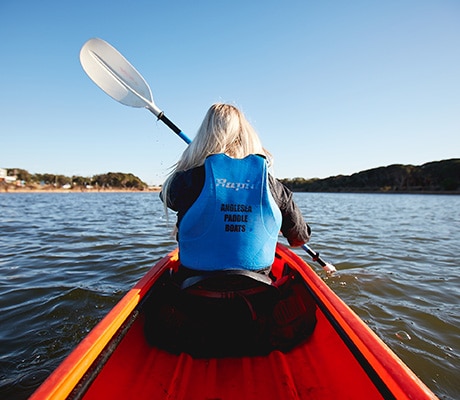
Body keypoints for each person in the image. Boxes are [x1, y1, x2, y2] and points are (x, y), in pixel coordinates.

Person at [160, 103, 311, 275]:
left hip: (195, 290)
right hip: (257, 292)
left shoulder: (185, 181)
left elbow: (168, 199)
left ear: (203, 137)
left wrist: (193, 162)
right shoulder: (273, 187)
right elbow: (300, 238)